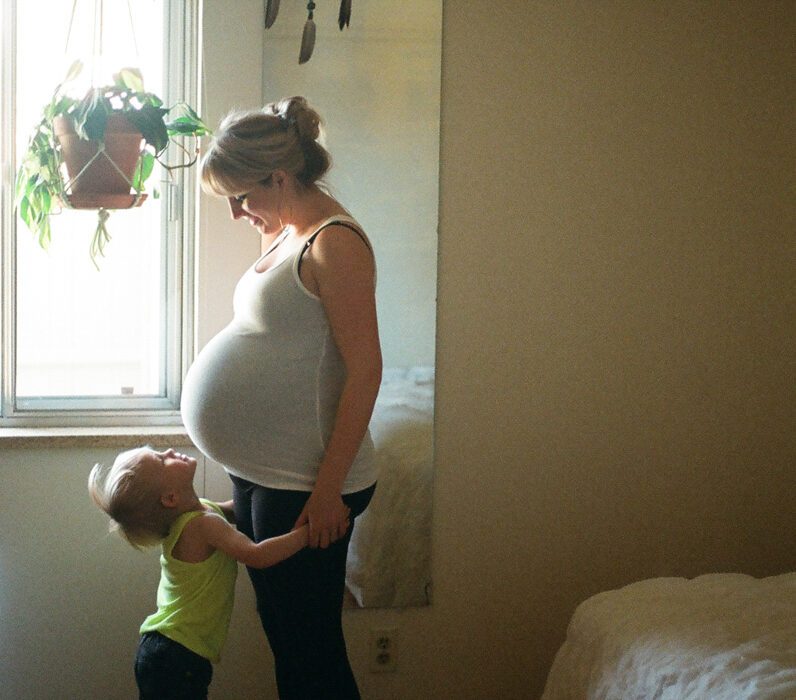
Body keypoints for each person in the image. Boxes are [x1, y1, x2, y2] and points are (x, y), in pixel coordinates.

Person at [180, 95, 382, 699]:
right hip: (272, 473)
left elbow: (365, 371)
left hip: (307, 480)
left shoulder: (335, 243)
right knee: (287, 632)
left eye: (243, 197)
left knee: (309, 646)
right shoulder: (289, 231)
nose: (238, 213)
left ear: (278, 176)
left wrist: (326, 493)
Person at [88, 446, 312, 700]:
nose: (170, 451)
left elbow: (237, 509)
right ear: (170, 498)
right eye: (162, 460)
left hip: (166, 651)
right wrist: (308, 533)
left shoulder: (198, 513)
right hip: (176, 656)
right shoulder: (201, 526)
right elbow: (257, 555)